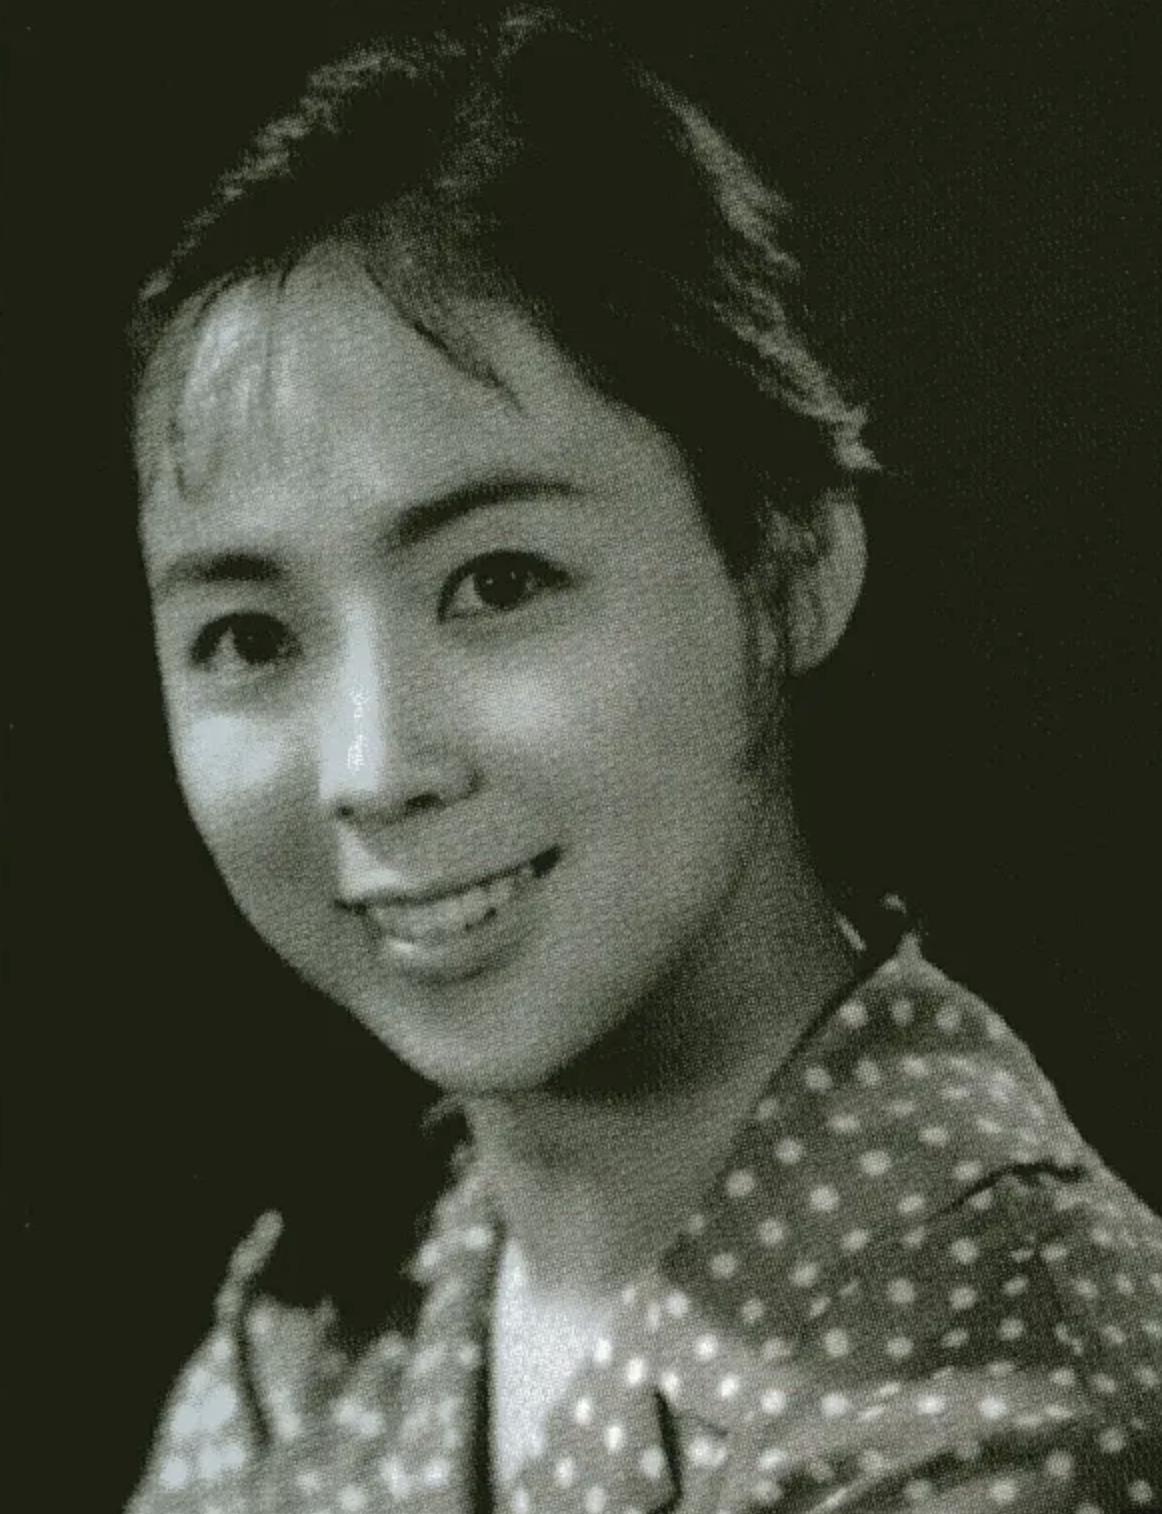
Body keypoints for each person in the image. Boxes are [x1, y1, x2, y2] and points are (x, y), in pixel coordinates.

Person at [125, 6, 1161, 1511]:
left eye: (498, 582)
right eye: (247, 636)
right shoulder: (326, 1320)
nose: (371, 768)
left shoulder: (1003, 1390)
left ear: (788, 568)